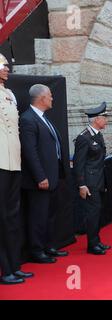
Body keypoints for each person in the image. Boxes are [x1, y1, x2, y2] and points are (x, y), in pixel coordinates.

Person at [20, 84, 68, 263]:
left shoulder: (44, 118)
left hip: (53, 177)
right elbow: (29, 152)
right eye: (50, 95)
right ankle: (37, 250)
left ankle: (49, 246)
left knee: (50, 215)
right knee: (38, 216)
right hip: (39, 179)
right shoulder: (28, 119)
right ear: (41, 98)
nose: (52, 98)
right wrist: (40, 176)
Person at [0, 54, 34, 284]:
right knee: (2, 217)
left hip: (13, 161)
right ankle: (6, 269)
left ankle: (14, 264)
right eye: (2, 66)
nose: (7, 69)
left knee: (12, 216)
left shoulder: (9, 94)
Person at [73, 102, 111, 255]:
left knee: (97, 211)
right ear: (97, 119)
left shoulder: (97, 134)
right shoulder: (84, 138)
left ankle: (96, 240)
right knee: (92, 212)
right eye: (105, 117)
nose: (107, 120)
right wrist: (81, 184)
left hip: (99, 180)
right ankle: (92, 245)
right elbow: (78, 163)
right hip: (90, 182)